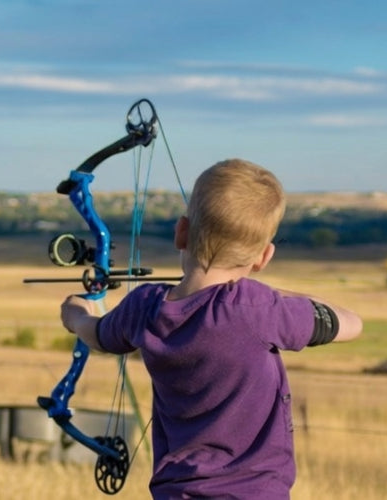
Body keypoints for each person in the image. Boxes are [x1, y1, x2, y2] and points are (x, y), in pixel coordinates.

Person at [60, 159, 363, 499]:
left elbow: (97, 333)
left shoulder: (145, 306)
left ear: (182, 232)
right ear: (264, 257)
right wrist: (275, 296)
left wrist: (75, 311)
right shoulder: (259, 308)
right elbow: (352, 323)